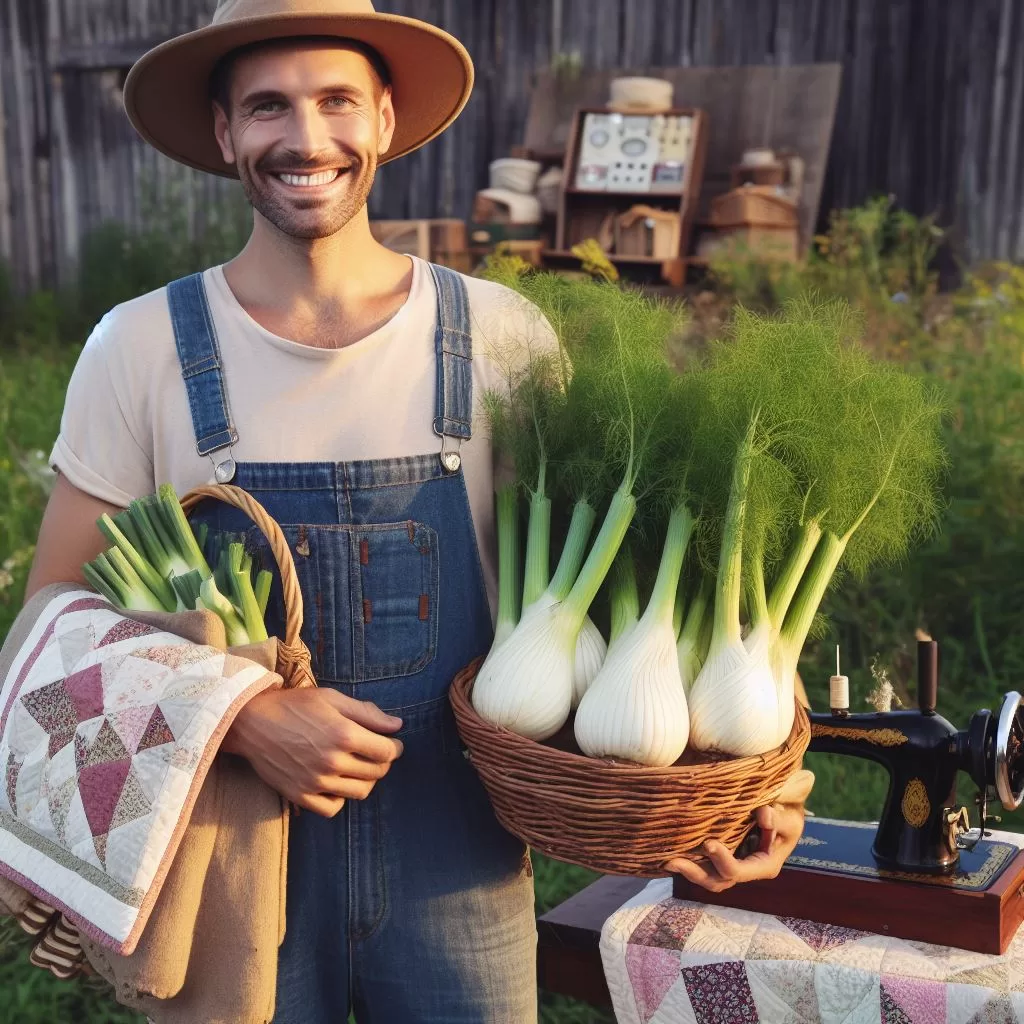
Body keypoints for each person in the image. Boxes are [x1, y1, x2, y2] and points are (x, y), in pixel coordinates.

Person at [24, 1, 812, 1020]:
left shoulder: (502, 338)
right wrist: (242, 716)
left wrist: (756, 781)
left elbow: (630, 599)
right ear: (224, 134)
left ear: (385, 119)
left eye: (335, 100)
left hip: (462, 868)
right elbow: (50, 621)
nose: (306, 138)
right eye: (268, 106)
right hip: (228, 865)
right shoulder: (136, 348)